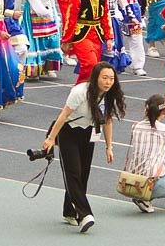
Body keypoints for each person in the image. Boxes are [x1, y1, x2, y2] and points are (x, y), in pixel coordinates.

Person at [40, 61, 127, 233]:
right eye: (104, 78)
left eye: (111, 79)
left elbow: (107, 121)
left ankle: (69, 211)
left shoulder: (109, 95)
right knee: (73, 172)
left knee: (83, 174)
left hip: (89, 132)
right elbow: (63, 115)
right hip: (68, 132)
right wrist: (51, 138)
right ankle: (84, 214)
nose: (108, 82)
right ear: (95, 78)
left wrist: (109, 147)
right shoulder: (80, 92)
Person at [61, 0, 113, 84]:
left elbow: (105, 16)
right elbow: (70, 20)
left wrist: (109, 37)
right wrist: (66, 41)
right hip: (82, 34)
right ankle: (80, 92)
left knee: (95, 69)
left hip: (97, 35)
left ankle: (86, 93)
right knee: (90, 64)